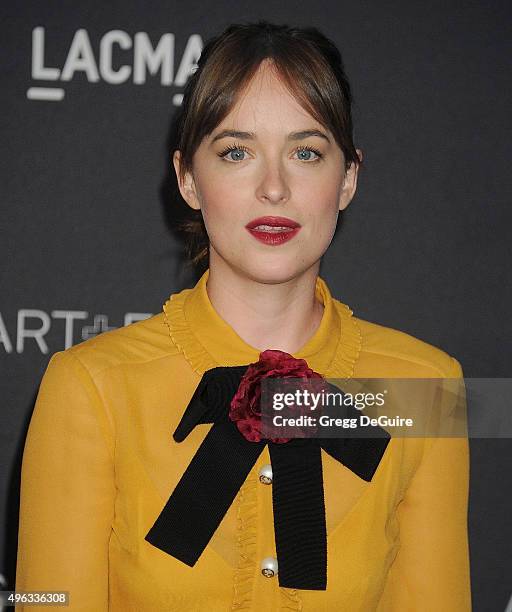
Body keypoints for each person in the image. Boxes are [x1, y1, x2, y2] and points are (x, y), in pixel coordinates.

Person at [15, 20, 471, 611]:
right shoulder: (90, 386)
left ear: (349, 178)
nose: (274, 187)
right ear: (187, 179)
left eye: (306, 152)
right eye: (236, 152)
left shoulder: (425, 389)